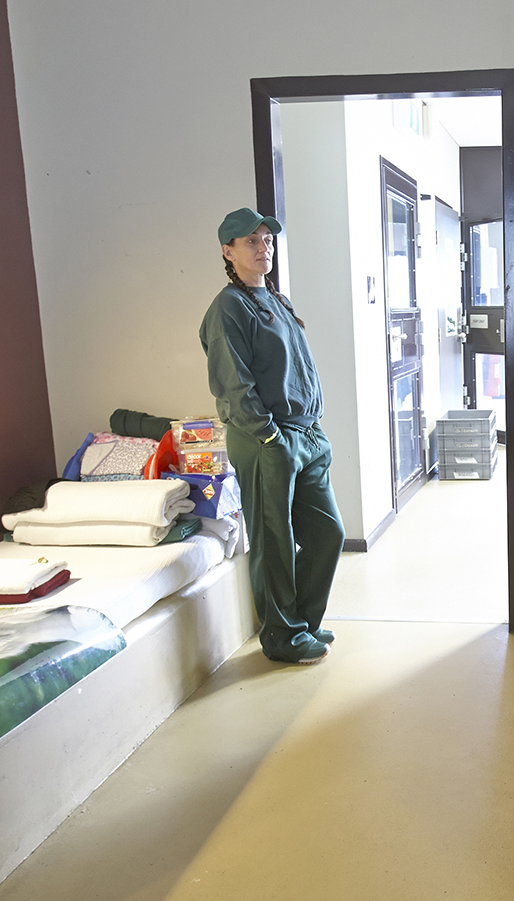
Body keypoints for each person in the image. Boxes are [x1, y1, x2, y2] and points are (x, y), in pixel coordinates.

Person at [199, 208, 342, 665]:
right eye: (251, 242)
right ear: (228, 251)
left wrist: (313, 429)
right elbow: (233, 382)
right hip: (266, 439)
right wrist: (269, 438)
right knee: (275, 542)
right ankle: (282, 638)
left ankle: (304, 621)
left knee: (327, 533)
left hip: (306, 437)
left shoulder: (276, 299)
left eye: (268, 241)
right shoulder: (229, 307)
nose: (264, 249)